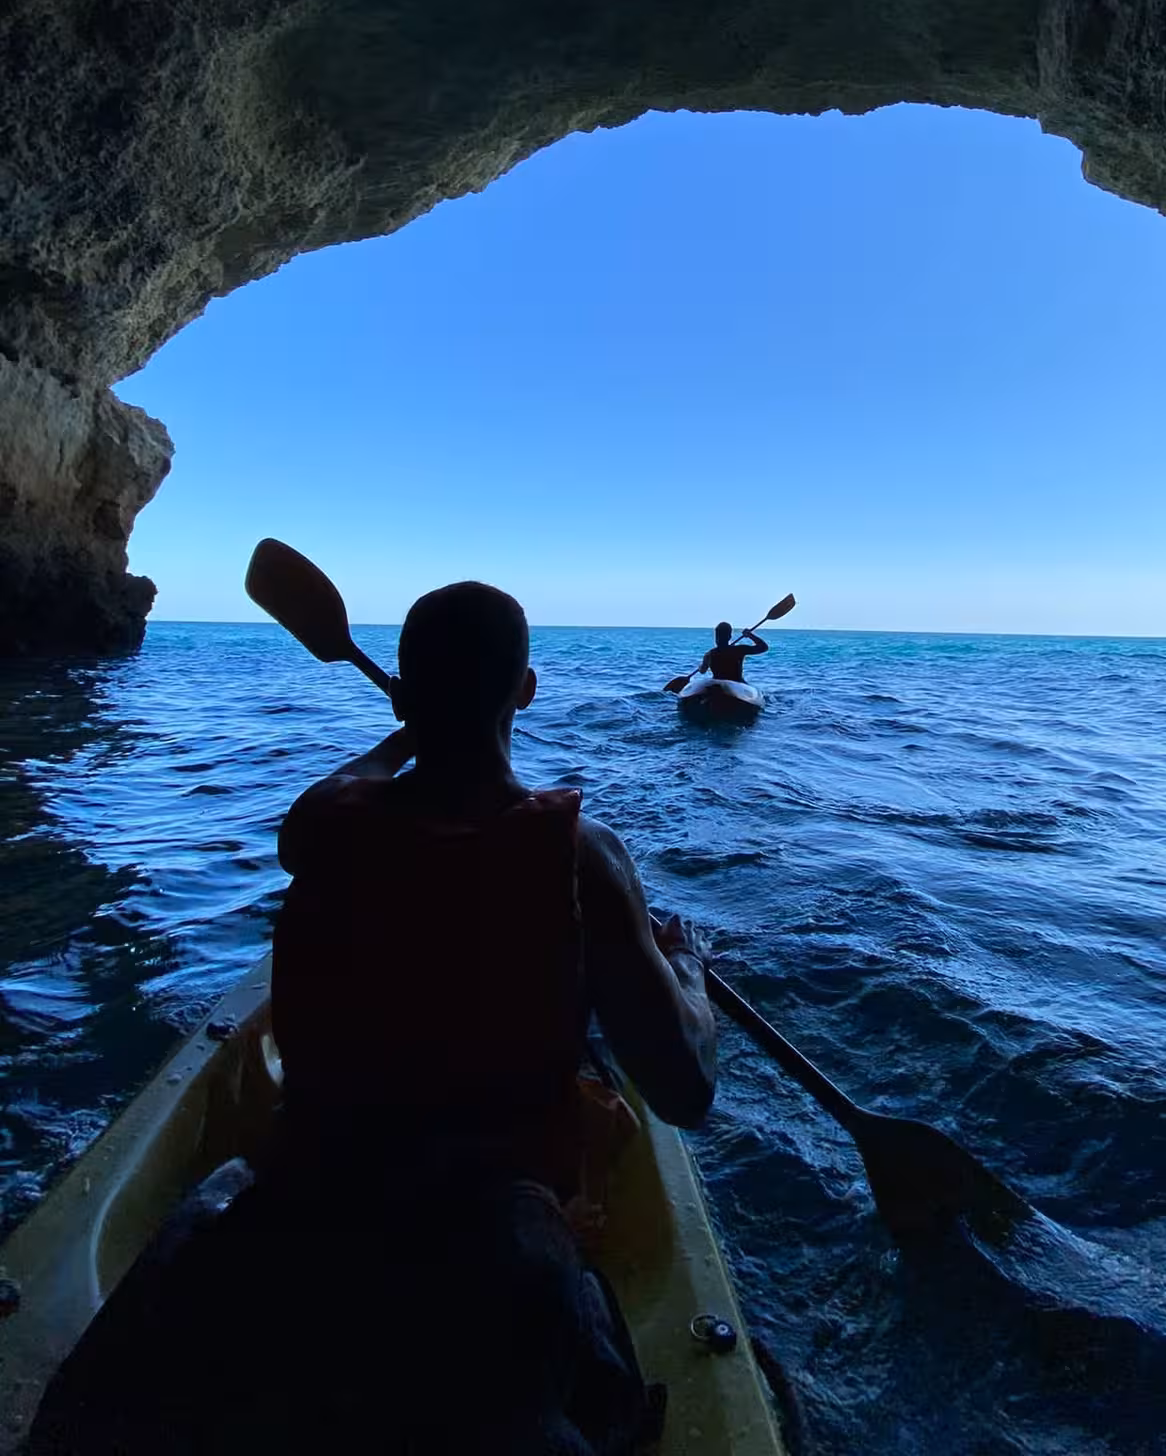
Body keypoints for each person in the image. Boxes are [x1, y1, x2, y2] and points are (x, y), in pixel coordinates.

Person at [31, 581, 714, 1456]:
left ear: (405, 688)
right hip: (487, 1226)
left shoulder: (325, 829)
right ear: (528, 689)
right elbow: (686, 1091)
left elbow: (328, 798)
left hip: (317, 1197)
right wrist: (685, 969)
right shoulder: (584, 859)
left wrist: (409, 727)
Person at [699, 619, 768, 683]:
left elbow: (702, 671)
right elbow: (763, 647)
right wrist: (750, 635)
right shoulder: (739, 650)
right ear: (729, 637)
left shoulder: (709, 654)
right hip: (737, 683)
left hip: (717, 684)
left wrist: (701, 666)